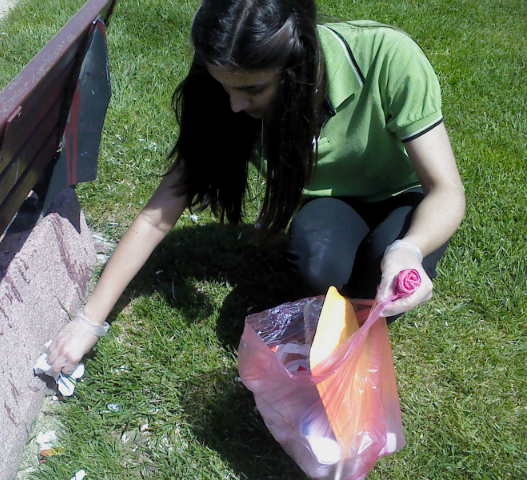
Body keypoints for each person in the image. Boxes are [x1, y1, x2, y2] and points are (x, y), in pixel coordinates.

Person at [46, 0, 465, 376]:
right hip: (330, 202)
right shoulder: (226, 94)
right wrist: (88, 321)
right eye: (224, 87)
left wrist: (409, 249)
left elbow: (445, 190)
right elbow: (160, 211)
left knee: (381, 276)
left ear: (299, 65)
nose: (234, 106)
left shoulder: (388, 57)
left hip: (403, 198)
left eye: (252, 89)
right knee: (317, 270)